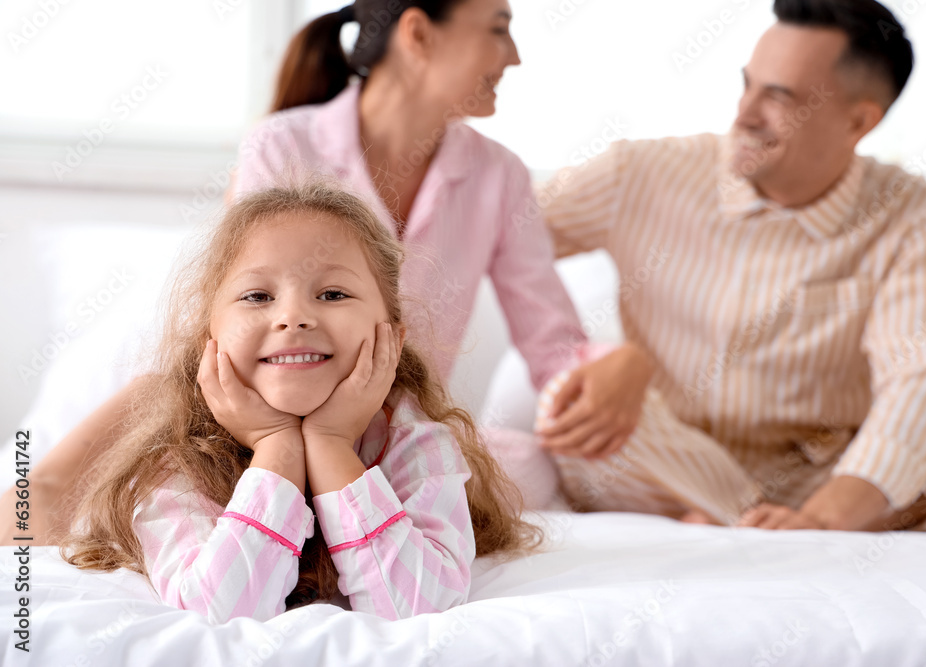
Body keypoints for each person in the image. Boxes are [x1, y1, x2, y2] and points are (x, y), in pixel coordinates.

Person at [2, 0, 608, 545]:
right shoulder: (283, 145)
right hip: (251, 410)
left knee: (529, 465)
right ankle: (45, 492)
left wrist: (615, 368)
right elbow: (251, 319)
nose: (515, 56)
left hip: (383, 424)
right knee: (140, 437)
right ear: (419, 34)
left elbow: (556, 349)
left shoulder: (498, 175)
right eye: (498, 30)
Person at [534, 0, 926, 532]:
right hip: (671, 464)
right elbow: (491, 228)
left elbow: (925, 371)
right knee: (565, 397)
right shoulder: (636, 173)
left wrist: (830, 510)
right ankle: (769, 523)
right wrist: (618, 360)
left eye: (777, 97)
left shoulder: (917, 216)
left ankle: (788, 525)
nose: (744, 115)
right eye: (746, 85)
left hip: (828, 481)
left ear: (858, 121)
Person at [61, 184, 538, 623]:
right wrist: (276, 448)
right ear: (211, 338)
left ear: (391, 336)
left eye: (332, 293)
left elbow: (416, 607)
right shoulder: (180, 460)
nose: (293, 317)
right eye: (257, 295)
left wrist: (330, 444)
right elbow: (219, 614)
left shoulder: (416, 441)